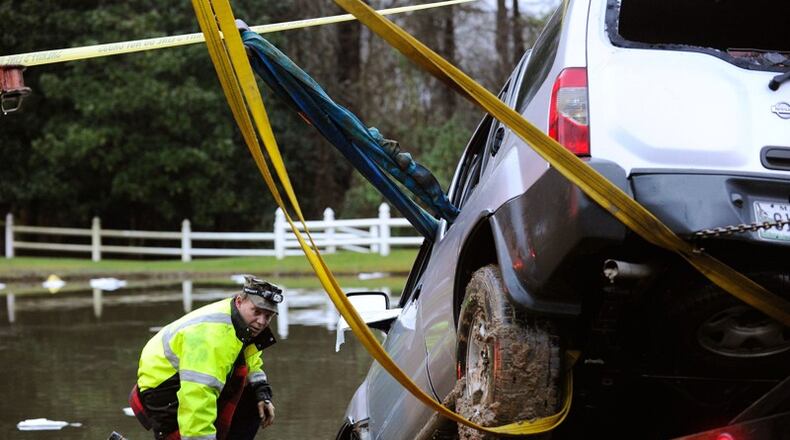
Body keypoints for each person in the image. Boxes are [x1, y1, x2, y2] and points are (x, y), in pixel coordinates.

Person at [129, 276, 283, 440]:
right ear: (239, 301)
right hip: (163, 387)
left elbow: (249, 360)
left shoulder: (242, 323)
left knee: (252, 396)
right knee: (196, 429)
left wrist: (262, 393)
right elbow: (198, 395)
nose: (261, 321)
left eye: (268, 316)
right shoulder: (213, 337)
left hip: (187, 382)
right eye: (257, 312)